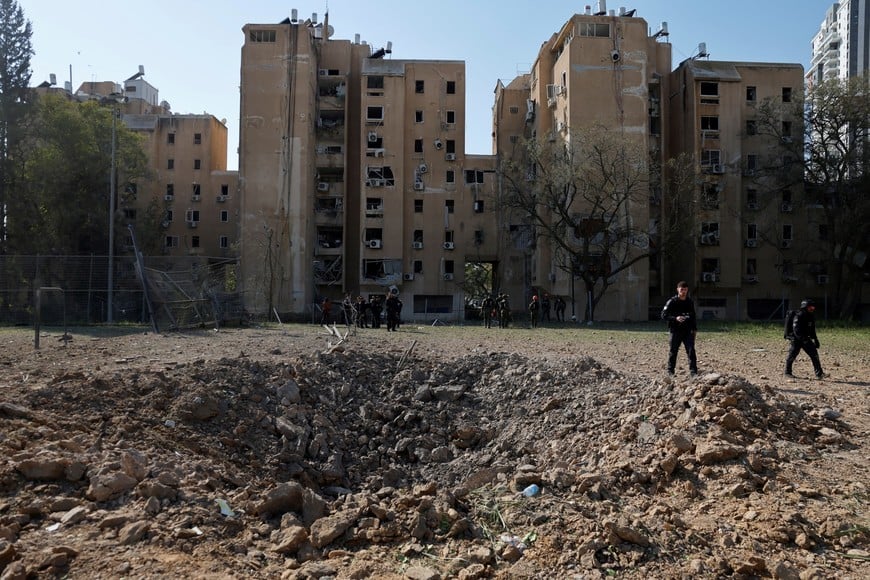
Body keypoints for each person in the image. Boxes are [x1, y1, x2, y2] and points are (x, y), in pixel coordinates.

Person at [661, 281, 699, 377]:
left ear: (687, 290)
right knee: (673, 351)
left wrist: (694, 330)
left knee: (691, 351)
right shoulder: (672, 302)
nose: (683, 291)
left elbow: (693, 316)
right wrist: (675, 318)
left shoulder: (689, 302)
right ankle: (670, 372)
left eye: (685, 290)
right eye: (681, 289)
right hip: (675, 331)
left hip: (687, 331)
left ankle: (693, 372)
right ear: (678, 289)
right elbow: (663, 315)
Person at [785, 299, 825, 379]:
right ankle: (787, 372)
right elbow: (796, 330)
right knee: (792, 355)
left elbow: (812, 329)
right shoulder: (799, 316)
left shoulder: (811, 316)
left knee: (814, 354)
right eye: (810, 308)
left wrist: (815, 339)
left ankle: (819, 374)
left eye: (813, 308)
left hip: (806, 339)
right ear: (805, 307)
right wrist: (804, 340)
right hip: (796, 339)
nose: (812, 310)